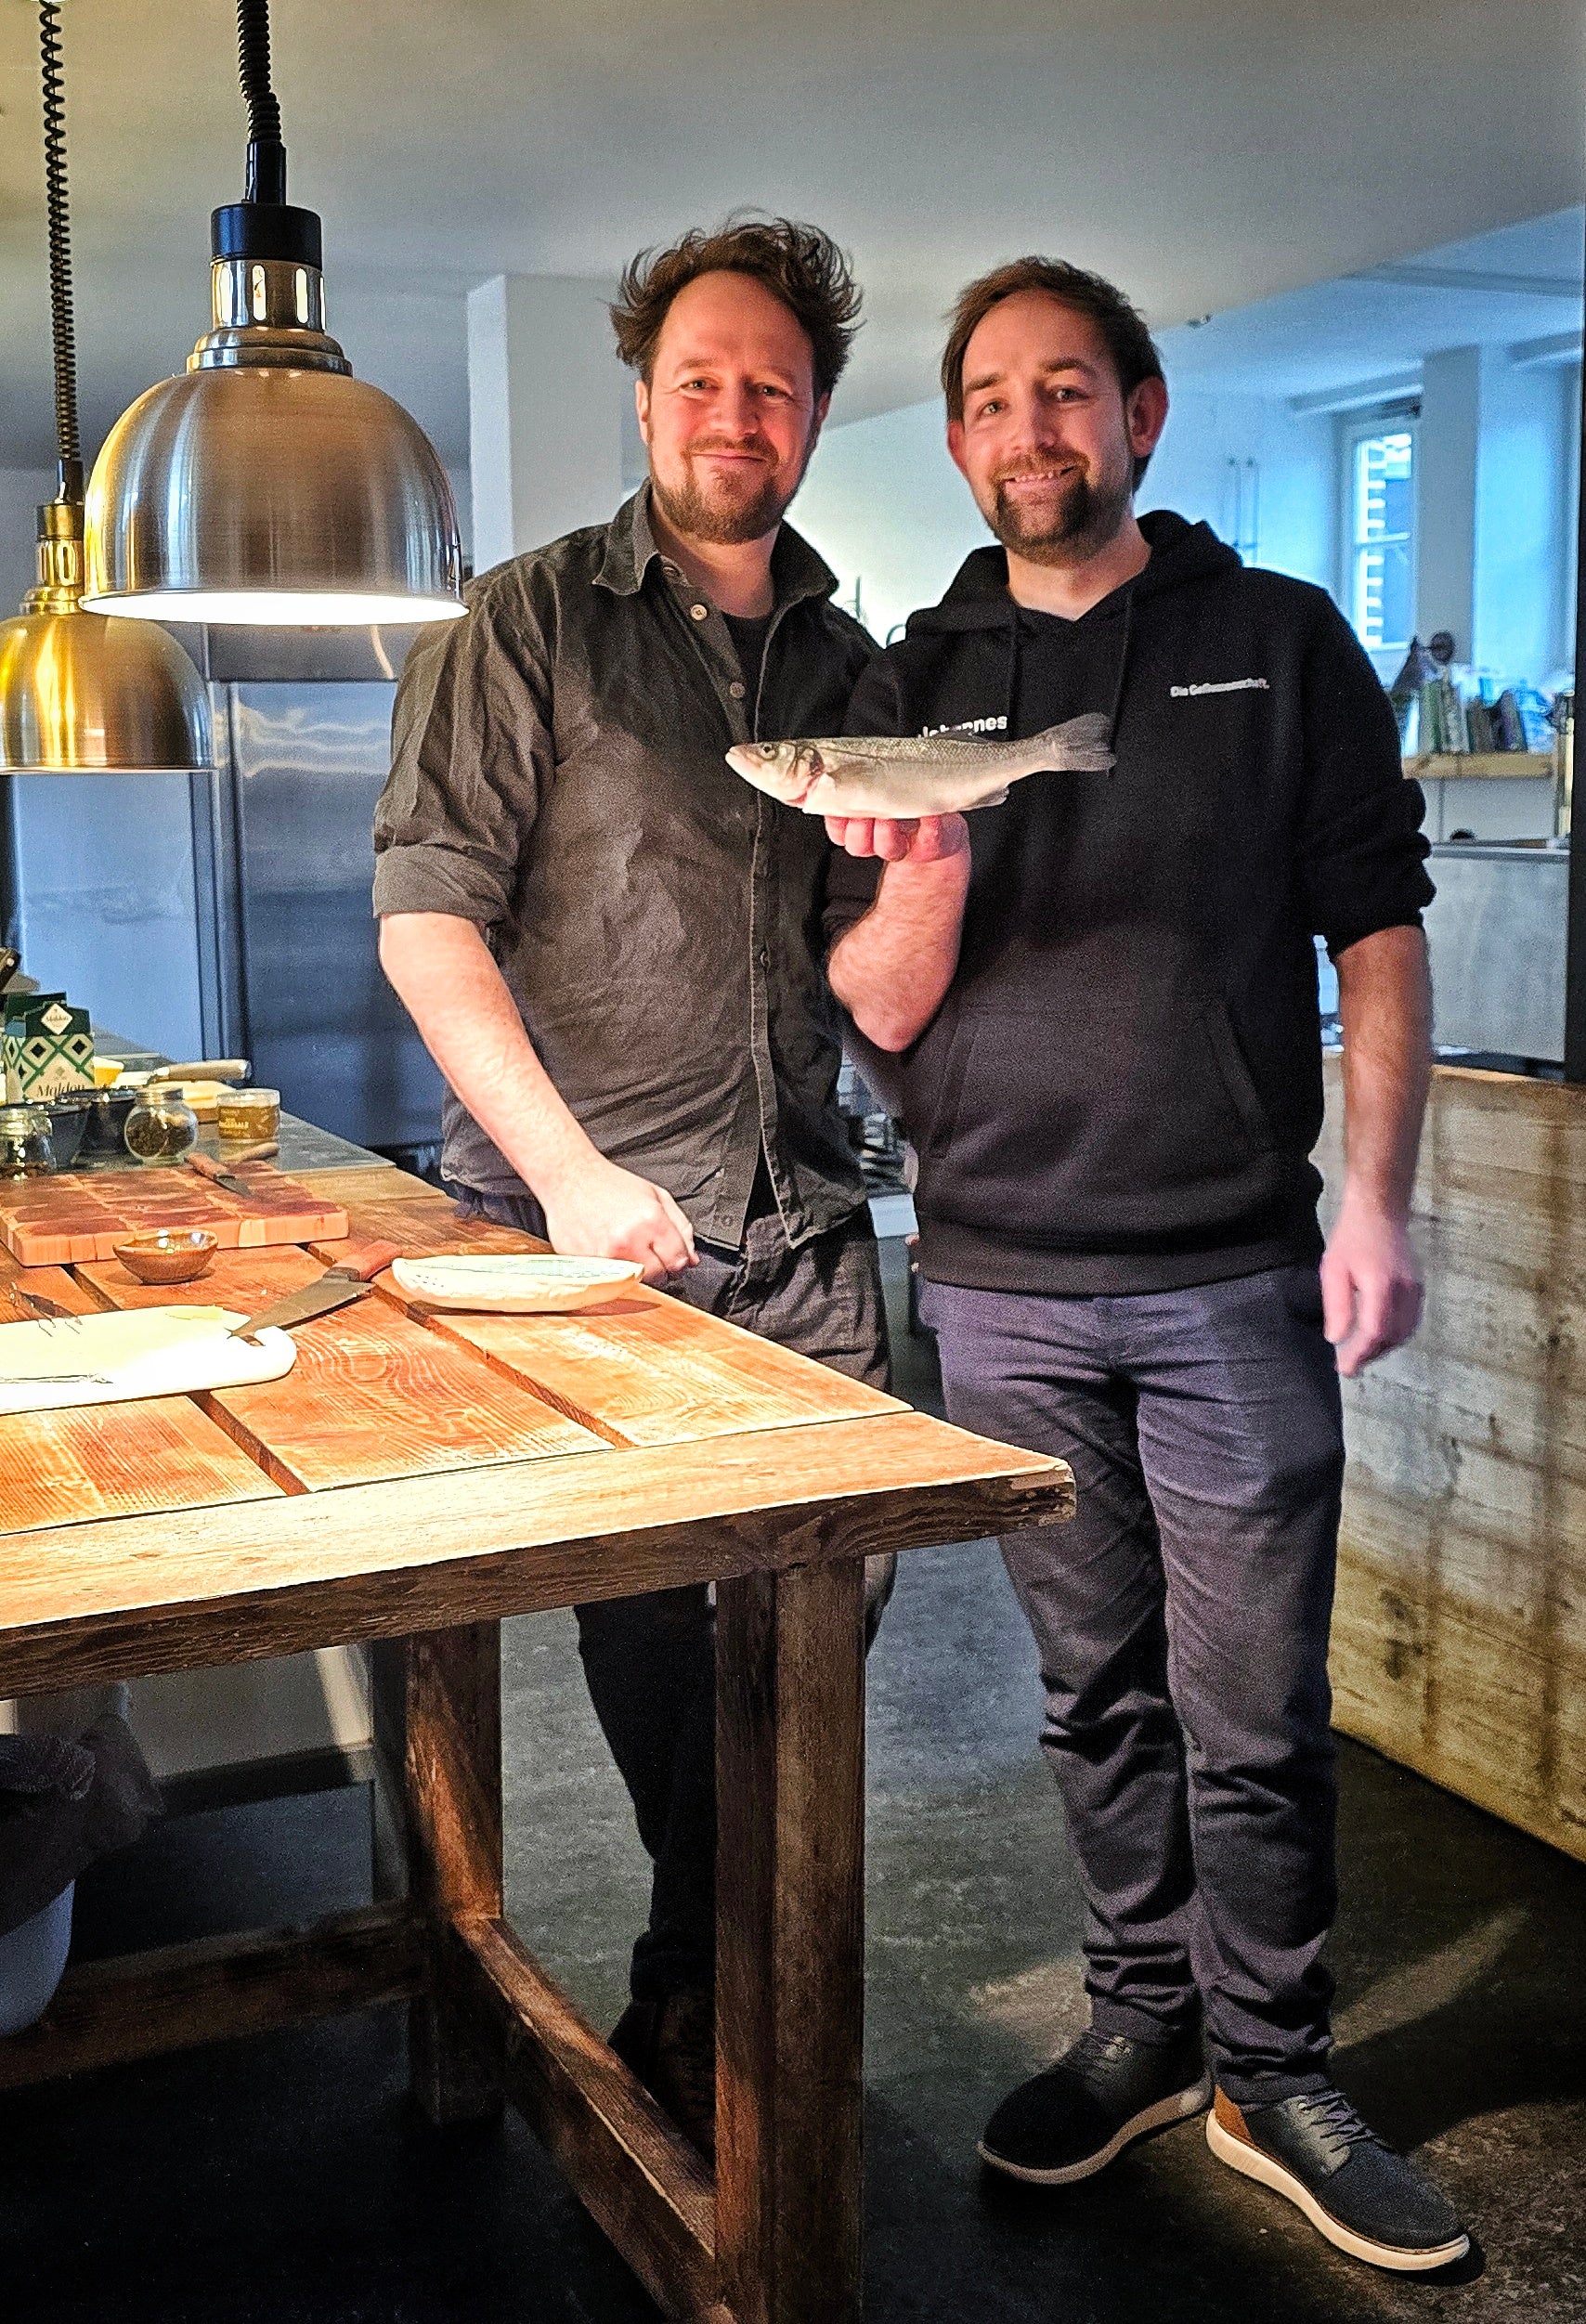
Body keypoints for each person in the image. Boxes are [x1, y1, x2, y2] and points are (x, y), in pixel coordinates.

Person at [824, 257, 1469, 2273]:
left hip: (1226, 1274)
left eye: (1066, 390)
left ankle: (1274, 2063)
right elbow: (872, 1011)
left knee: (1252, 1698)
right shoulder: (899, 679)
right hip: (1000, 1274)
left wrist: (1374, 1201)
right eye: (993, 400)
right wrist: (920, 874)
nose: (1031, 428)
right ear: (954, 443)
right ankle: (1140, 2017)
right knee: (1091, 1695)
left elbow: (1374, 937)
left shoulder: (1274, 642)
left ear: (1138, 414)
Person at [373, 217, 892, 2161]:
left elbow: (872, 964)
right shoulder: (526, 622)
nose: (732, 412)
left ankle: (698, 1982)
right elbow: (428, 921)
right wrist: (568, 1176)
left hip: (812, 1234)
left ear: (816, 412)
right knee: (660, 1634)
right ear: (645, 395)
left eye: (769, 383)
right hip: (601, 1236)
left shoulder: (856, 657)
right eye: (699, 377)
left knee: (817, 1639)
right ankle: (711, 2004)